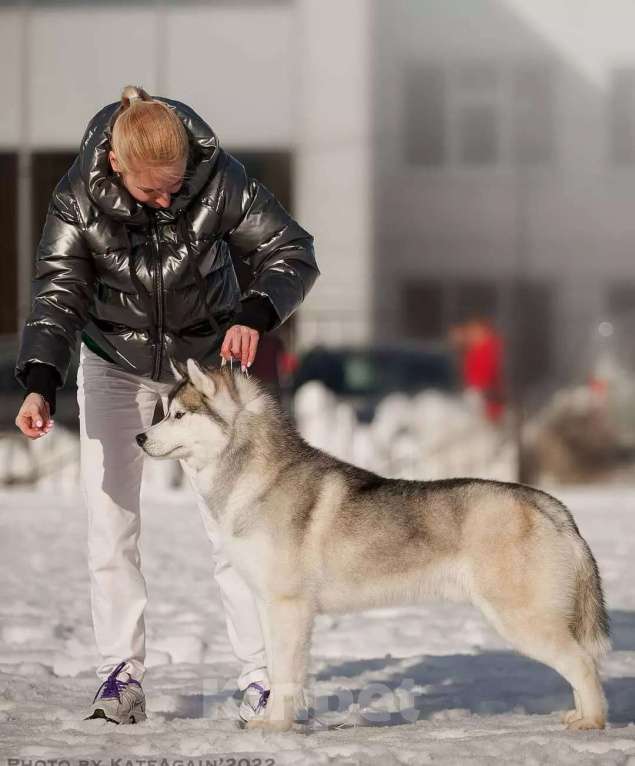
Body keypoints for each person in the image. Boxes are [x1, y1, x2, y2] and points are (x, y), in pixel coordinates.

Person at [13, 85, 319, 725]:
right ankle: (119, 676)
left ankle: (261, 679)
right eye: (153, 191)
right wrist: (41, 377)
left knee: (237, 527)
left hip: (203, 371)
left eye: (176, 187)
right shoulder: (76, 198)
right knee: (111, 522)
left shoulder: (220, 178)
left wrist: (256, 313)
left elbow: (289, 250)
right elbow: (59, 290)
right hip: (114, 366)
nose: (168, 200)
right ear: (117, 167)